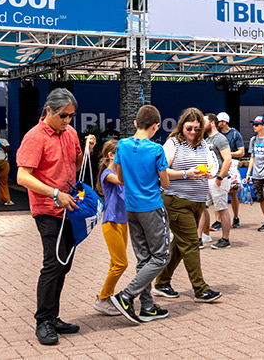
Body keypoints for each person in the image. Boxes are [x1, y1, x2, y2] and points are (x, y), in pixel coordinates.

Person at [15, 88, 95, 345]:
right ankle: (43, 321)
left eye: (71, 116)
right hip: (48, 209)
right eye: (63, 115)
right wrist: (54, 193)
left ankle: (53, 316)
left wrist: (86, 148)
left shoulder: (69, 132)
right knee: (54, 263)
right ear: (48, 110)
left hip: (70, 208)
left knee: (64, 264)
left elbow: (77, 160)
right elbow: (22, 176)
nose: (68, 121)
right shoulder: (34, 137)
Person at [152, 108, 223, 302]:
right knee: (191, 243)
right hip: (176, 201)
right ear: (182, 126)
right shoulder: (173, 143)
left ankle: (161, 282)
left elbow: (210, 165)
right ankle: (200, 289)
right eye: (189, 128)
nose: (192, 132)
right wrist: (186, 173)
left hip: (197, 202)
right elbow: (162, 172)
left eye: (197, 129)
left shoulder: (202, 145)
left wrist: (208, 173)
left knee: (180, 244)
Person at [108, 104, 171, 325]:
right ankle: (126, 296)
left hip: (131, 207)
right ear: (156, 126)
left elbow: (121, 178)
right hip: (151, 207)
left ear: (135, 123)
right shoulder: (156, 149)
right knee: (162, 256)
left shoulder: (122, 145)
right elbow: (165, 181)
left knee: (144, 257)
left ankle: (147, 307)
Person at [93, 139, 127, 316]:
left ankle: (107, 298)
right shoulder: (107, 174)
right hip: (111, 222)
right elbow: (121, 181)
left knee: (116, 263)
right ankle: (102, 298)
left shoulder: (119, 172)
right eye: (121, 154)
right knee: (121, 263)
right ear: (110, 155)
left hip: (123, 222)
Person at [202, 113, 233, 249]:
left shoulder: (220, 139)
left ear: (212, 123)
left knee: (221, 209)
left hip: (218, 179)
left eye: (204, 122)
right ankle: (200, 237)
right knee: (201, 206)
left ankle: (225, 239)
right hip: (209, 179)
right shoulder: (207, 140)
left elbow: (228, 159)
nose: (201, 125)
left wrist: (220, 177)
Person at [217, 112, 243, 229]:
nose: (217, 123)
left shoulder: (235, 134)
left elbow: (241, 152)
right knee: (218, 193)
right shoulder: (216, 134)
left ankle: (236, 217)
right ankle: (218, 221)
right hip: (219, 166)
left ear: (224, 122)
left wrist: (228, 153)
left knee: (233, 193)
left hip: (231, 165)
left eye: (218, 121)